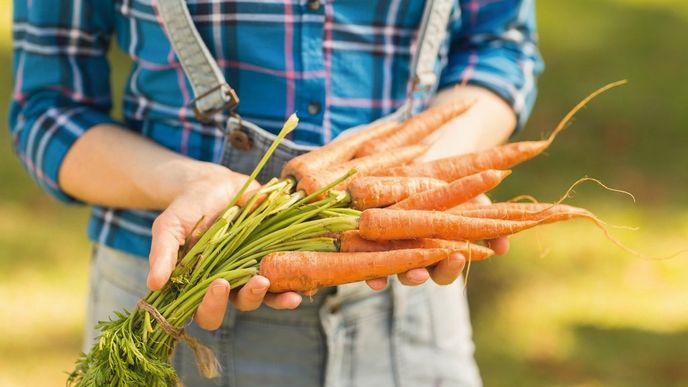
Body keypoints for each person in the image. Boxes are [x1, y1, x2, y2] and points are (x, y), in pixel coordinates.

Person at [9, 0, 542, 386]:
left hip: (410, 316)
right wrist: (183, 181)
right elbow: (48, 107)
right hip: (176, 304)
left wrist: (426, 175)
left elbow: (499, 43)